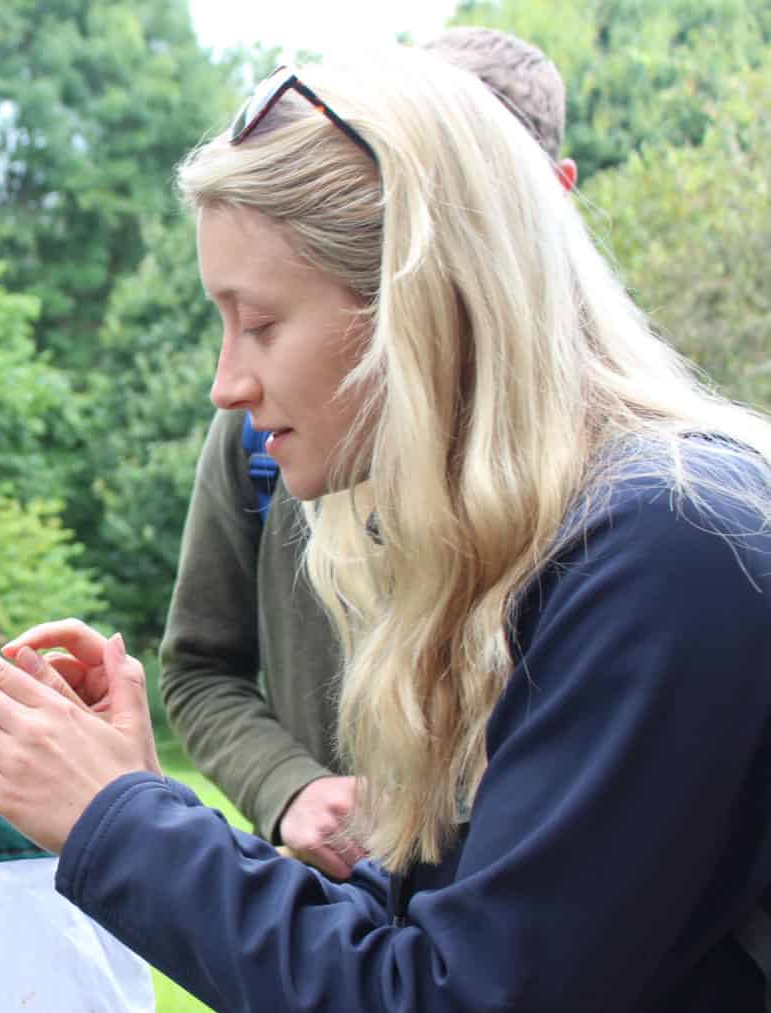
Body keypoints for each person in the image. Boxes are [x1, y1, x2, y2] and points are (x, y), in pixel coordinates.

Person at [0, 51, 771, 1013]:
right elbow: (436, 943)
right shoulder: (572, 541)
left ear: (423, 299)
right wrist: (143, 798)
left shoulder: (668, 552)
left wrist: (117, 820)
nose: (226, 383)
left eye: (257, 321)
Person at [162, 26, 579, 896]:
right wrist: (289, 787)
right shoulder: (269, 436)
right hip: (332, 957)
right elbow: (199, 665)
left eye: (486, 198)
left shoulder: (628, 502)